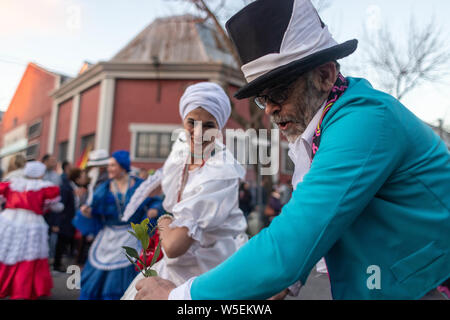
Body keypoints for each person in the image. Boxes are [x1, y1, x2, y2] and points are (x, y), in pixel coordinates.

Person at [134, 0, 450, 300]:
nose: (270, 109)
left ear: (325, 75)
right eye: (261, 98)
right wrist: (289, 281)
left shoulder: (364, 121)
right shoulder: (325, 127)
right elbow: (318, 224)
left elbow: (292, 241)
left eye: (279, 92)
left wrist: (178, 295)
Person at [121, 82, 248, 300]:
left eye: (208, 125)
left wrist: (164, 223)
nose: (198, 133)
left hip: (206, 274)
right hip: (173, 269)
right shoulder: (180, 155)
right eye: (192, 122)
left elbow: (173, 246)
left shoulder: (221, 170)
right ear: (183, 120)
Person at [73, 150, 164, 300]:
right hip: (108, 236)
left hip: (131, 235)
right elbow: (93, 209)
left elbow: (154, 199)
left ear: (122, 166)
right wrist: (87, 212)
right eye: (109, 165)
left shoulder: (138, 185)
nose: (109, 169)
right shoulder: (103, 189)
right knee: (96, 277)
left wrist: (155, 208)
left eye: (113, 165)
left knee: (128, 274)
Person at [0, 161, 63, 299]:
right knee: (30, 254)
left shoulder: (12, 184)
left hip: (10, 220)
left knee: (8, 252)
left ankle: (5, 284)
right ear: (40, 173)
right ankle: (24, 288)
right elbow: (55, 206)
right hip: (33, 223)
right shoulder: (45, 188)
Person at [53, 167, 82, 272]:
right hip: (65, 220)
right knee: (61, 242)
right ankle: (57, 265)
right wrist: (56, 223)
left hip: (71, 220)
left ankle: (60, 264)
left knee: (66, 242)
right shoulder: (66, 187)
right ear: (77, 178)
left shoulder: (74, 187)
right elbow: (61, 205)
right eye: (82, 176)